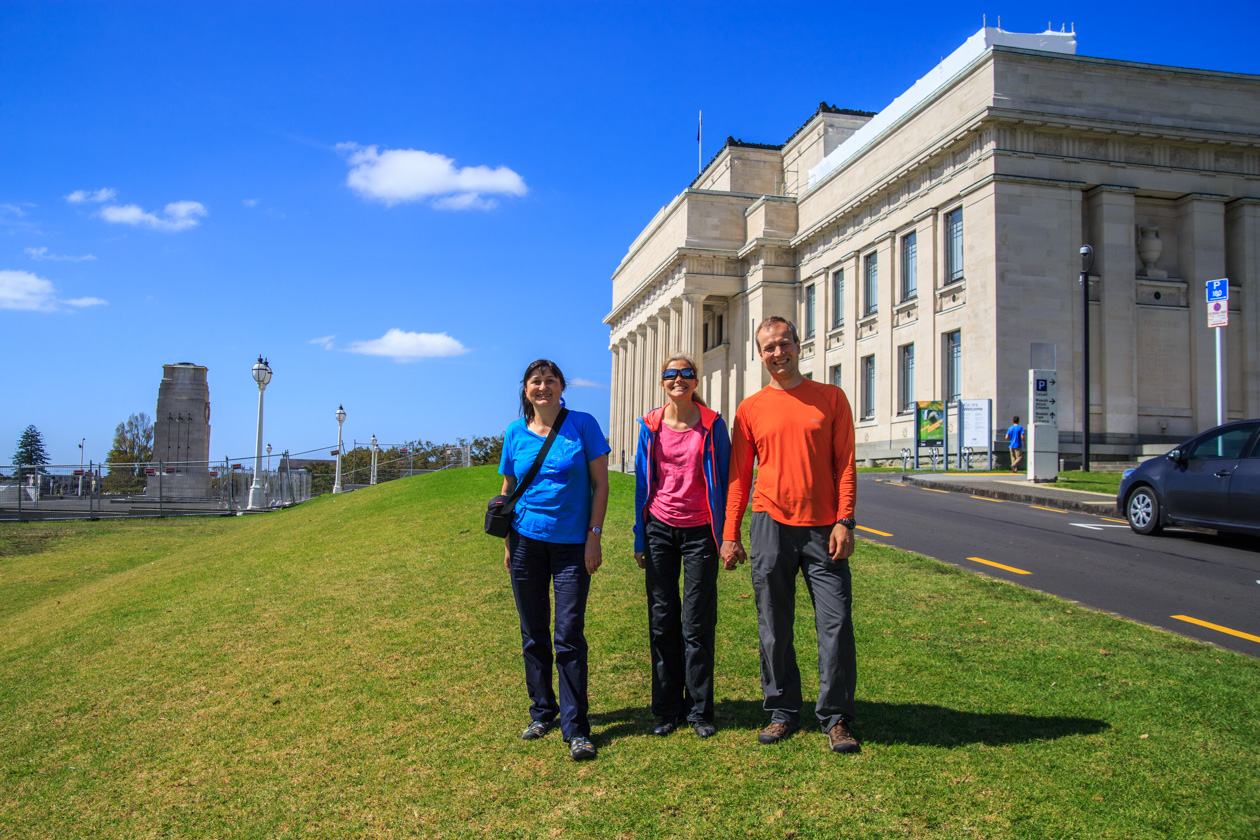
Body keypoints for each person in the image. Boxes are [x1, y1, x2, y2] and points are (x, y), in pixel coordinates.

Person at [720, 316, 861, 755]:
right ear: (759, 356)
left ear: (799, 345)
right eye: (768, 348)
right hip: (769, 524)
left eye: (784, 344)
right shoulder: (750, 408)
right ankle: (782, 710)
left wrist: (845, 519)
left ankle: (835, 716)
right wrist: (730, 534)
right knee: (773, 626)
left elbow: (846, 465)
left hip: (823, 529)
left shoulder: (831, 398)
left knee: (835, 624)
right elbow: (739, 478)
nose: (777, 353)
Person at [499, 359, 610, 761]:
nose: (543, 387)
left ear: (562, 386)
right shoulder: (515, 432)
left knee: (568, 635)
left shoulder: (583, 425)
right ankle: (541, 711)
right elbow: (509, 488)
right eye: (536, 381)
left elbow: (601, 485)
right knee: (533, 634)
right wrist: (509, 541)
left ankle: (576, 727)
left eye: (550, 380)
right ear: (525, 389)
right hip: (526, 542)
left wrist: (593, 538)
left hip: (571, 547)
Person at [633, 354, 731, 739]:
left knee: (696, 622)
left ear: (695, 381)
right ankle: (667, 709)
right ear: (662, 383)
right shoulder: (651, 424)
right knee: (662, 621)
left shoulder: (712, 424)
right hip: (659, 528)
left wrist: (726, 536)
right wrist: (640, 536)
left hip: (700, 531)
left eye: (685, 374)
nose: (679, 380)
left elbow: (725, 478)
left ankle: (700, 710)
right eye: (670, 375)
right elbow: (643, 482)